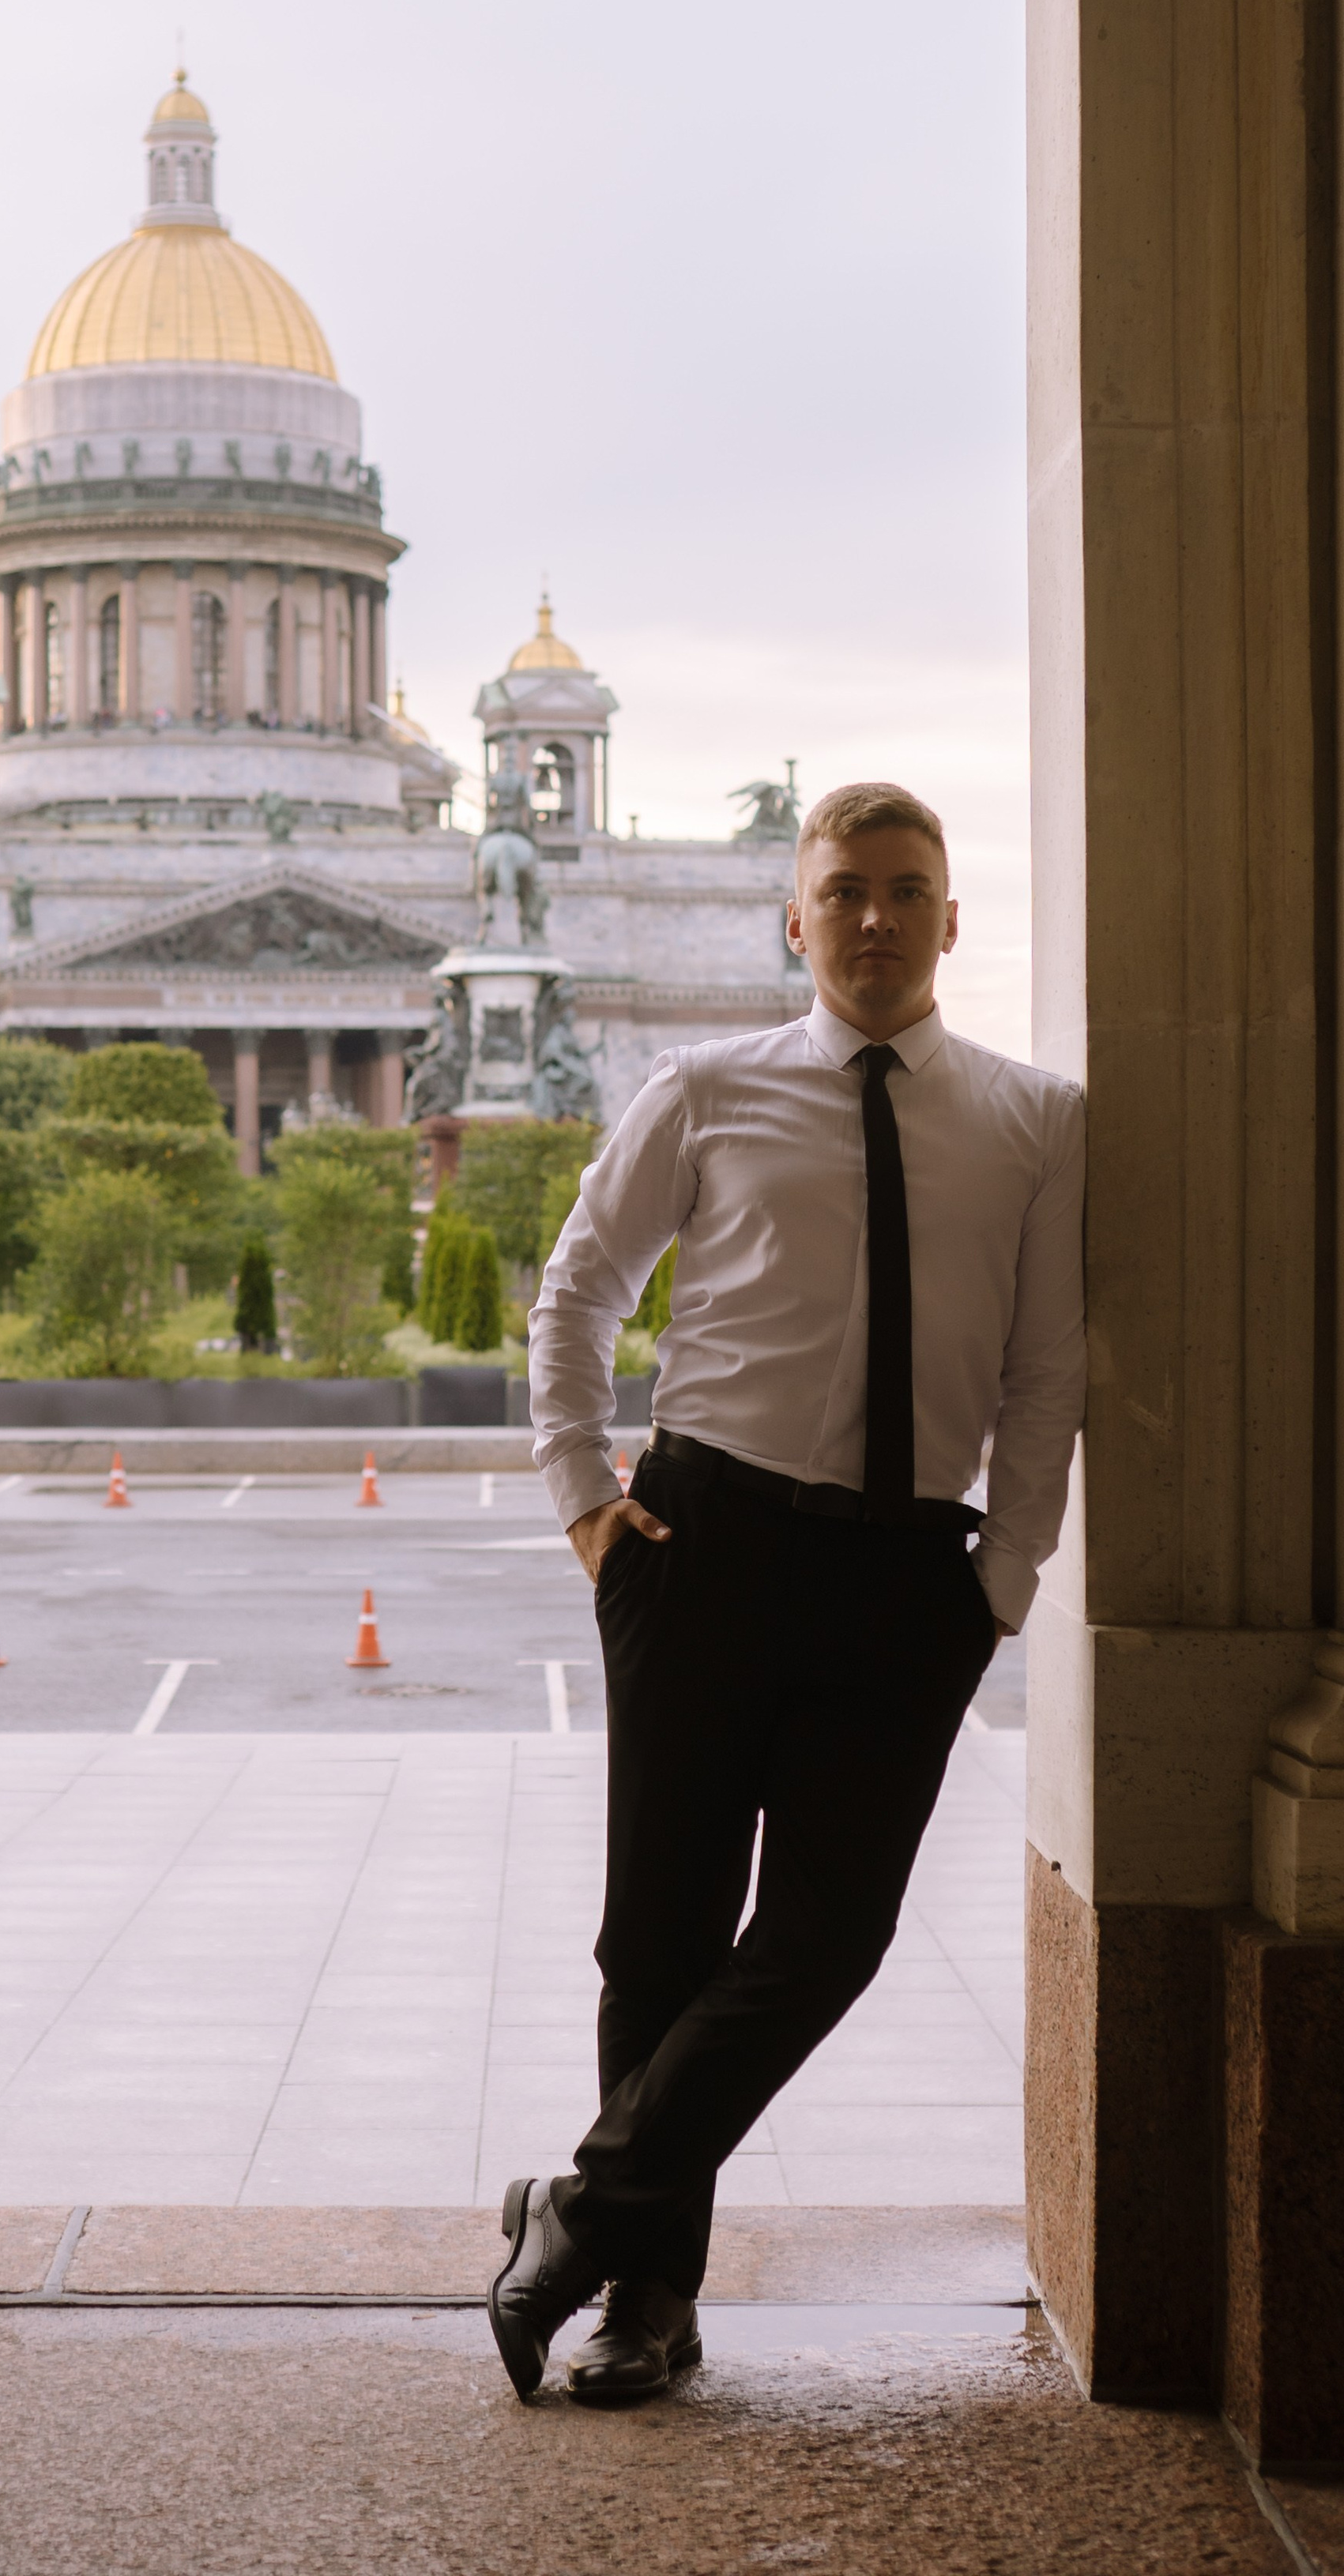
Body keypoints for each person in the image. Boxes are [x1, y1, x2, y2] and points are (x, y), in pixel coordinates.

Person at [490, 780, 1085, 2405]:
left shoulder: (1037, 1123)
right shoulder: (703, 1088)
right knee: (659, 1941)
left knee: (829, 1935)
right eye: (844, 893)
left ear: (950, 919)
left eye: (905, 891)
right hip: (700, 1546)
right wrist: (584, 1508)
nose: (874, 920)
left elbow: (1044, 1371)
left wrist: (1003, 1580)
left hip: (909, 1575)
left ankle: (580, 2207)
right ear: (795, 916)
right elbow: (576, 1294)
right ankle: (647, 2304)